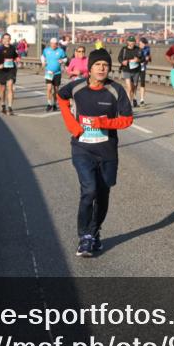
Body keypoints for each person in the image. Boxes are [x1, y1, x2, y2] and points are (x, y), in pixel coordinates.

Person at [56, 48, 134, 257]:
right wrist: (72, 125)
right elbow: (60, 98)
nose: (102, 68)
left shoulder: (116, 90)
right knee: (89, 190)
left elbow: (127, 119)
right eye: (98, 64)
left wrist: (105, 123)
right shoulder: (77, 87)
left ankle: (94, 231)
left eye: (105, 65)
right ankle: (85, 236)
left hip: (107, 151)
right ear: (89, 68)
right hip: (82, 148)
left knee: (102, 194)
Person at [41, 37, 68, 112]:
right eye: (52, 43)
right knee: (49, 88)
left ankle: (55, 104)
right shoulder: (46, 50)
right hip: (49, 72)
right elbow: (42, 56)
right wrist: (43, 62)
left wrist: (62, 60)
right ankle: (49, 104)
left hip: (57, 73)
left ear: (57, 44)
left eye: (55, 44)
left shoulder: (60, 51)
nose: (53, 45)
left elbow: (65, 58)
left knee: (56, 90)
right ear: (50, 43)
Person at [0, 33, 20, 116]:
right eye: (5, 38)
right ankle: (3, 104)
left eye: (8, 38)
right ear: (2, 40)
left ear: (10, 39)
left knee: (10, 86)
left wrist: (17, 59)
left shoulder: (13, 48)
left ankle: (10, 107)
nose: (7, 40)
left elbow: (16, 56)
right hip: (2, 71)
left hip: (11, 70)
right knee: (2, 89)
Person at [117, 36, 144, 108]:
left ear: (135, 42)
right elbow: (119, 58)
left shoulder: (138, 49)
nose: (131, 43)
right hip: (126, 70)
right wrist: (122, 62)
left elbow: (143, 58)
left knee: (134, 87)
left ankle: (134, 98)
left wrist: (138, 60)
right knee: (129, 88)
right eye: (130, 42)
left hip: (136, 71)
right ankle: (128, 104)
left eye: (133, 42)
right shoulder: (124, 49)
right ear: (127, 42)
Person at [138, 37, 152, 106]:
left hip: (143, 68)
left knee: (142, 83)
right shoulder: (136, 49)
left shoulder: (147, 49)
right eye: (139, 43)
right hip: (136, 68)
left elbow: (149, 58)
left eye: (141, 43)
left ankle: (142, 100)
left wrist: (148, 59)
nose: (140, 45)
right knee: (134, 84)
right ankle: (134, 99)